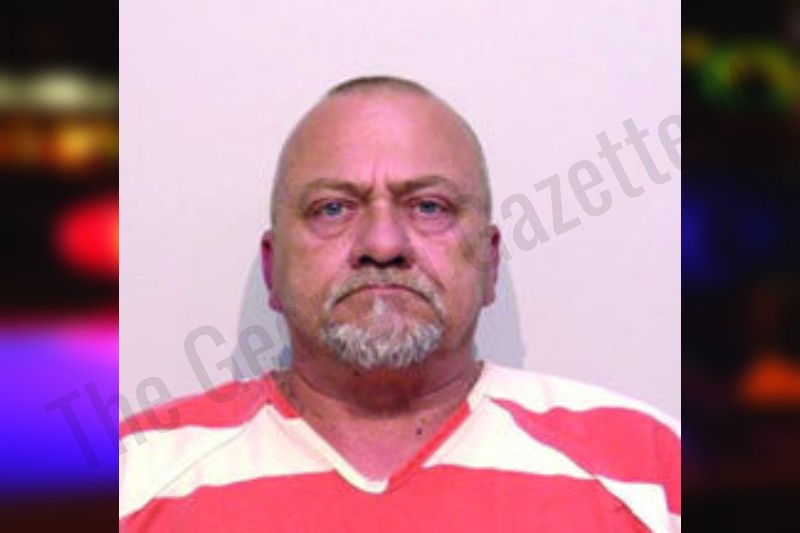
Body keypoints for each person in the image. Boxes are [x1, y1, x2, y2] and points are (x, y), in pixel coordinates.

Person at [119, 76, 681, 532]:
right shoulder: (135, 476)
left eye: (429, 207)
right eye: (333, 208)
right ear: (273, 268)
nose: (383, 245)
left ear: (489, 263)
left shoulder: (650, 470)